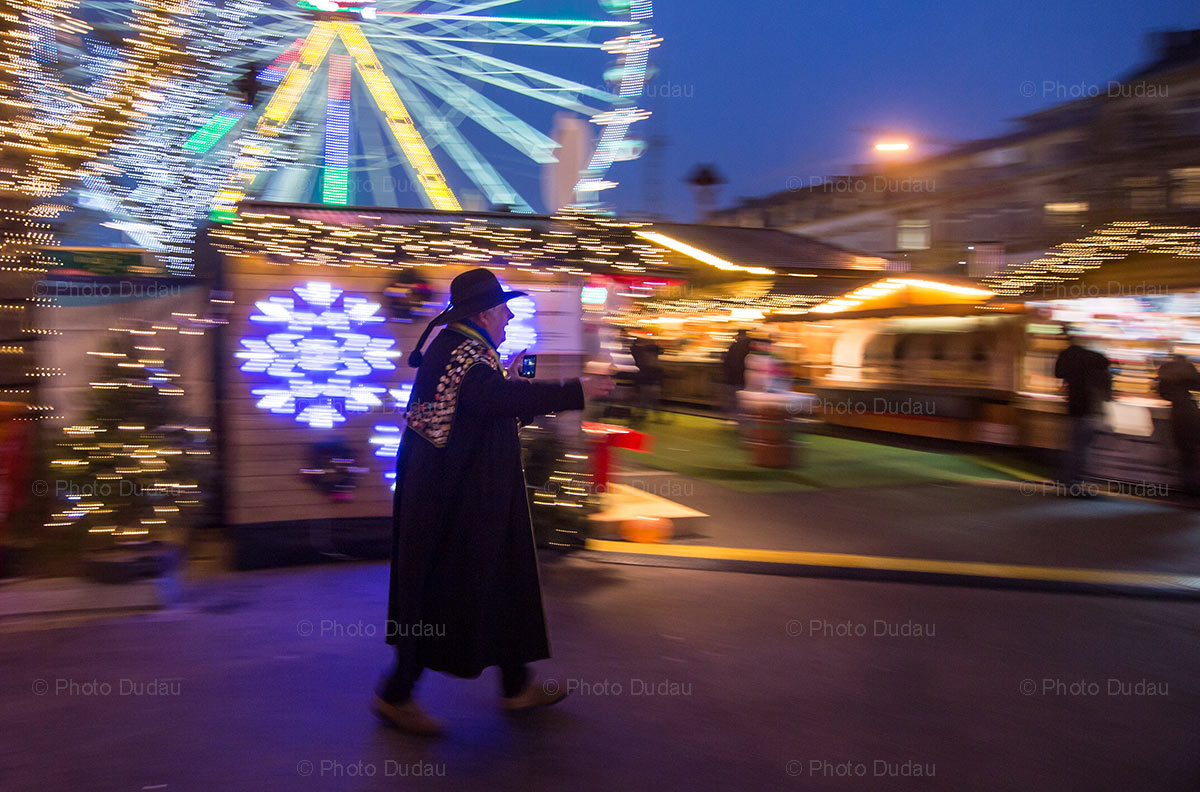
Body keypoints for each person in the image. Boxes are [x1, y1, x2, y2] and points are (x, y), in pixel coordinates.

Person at [374, 268, 611, 736]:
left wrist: (505, 380)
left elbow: (478, 405)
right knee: (445, 592)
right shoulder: (464, 352)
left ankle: (516, 683)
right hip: (458, 505)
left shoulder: (459, 349)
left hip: (470, 497)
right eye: (504, 308)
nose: (510, 314)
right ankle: (396, 695)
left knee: (502, 582)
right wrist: (577, 390)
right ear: (484, 313)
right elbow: (494, 399)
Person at [1053, 328, 1112, 491]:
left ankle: (1067, 479)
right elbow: (1106, 362)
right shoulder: (1090, 356)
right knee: (1081, 446)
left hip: (1073, 405)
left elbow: (1058, 373)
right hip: (1088, 406)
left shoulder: (1066, 355)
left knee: (1073, 444)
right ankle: (1075, 480)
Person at [1156, 353, 1200, 496]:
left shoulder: (1166, 373)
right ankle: (1193, 485)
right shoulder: (1189, 373)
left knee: (1183, 452)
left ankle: (1187, 486)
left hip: (1176, 413)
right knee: (1192, 451)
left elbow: (1162, 393)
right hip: (1190, 411)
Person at [629, 334, 663, 420]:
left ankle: (642, 415)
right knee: (651, 398)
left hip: (645, 379)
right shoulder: (648, 354)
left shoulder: (640, 352)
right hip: (649, 380)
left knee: (645, 398)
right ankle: (653, 416)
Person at [721, 329, 752, 415]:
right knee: (743, 399)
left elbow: (726, 362)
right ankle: (742, 415)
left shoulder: (733, 346)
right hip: (746, 377)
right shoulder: (750, 347)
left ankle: (733, 416)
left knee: (733, 398)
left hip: (733, 377)